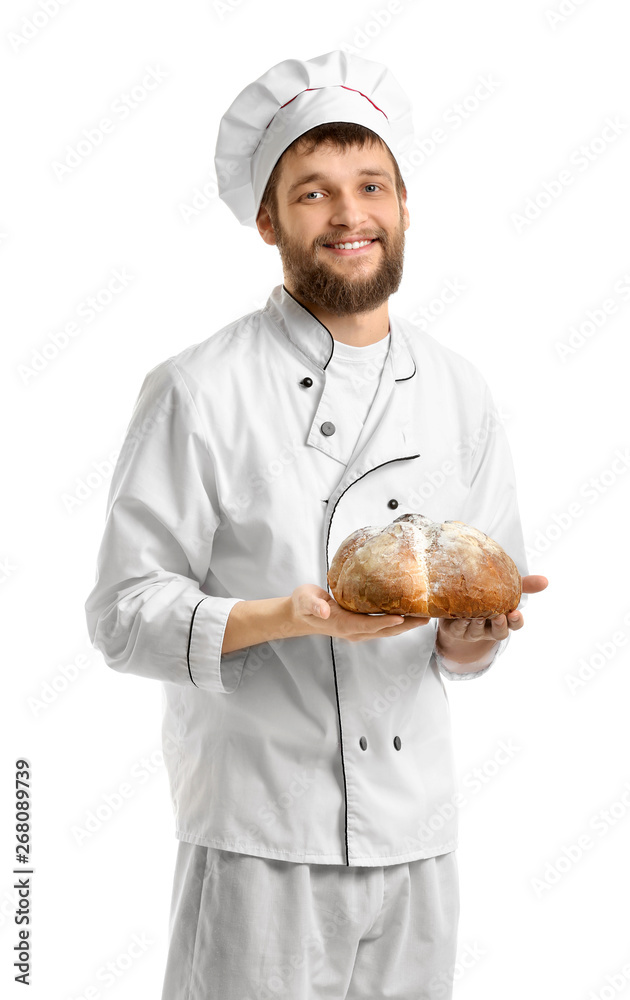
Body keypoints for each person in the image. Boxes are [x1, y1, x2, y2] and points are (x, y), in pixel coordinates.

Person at [85, 49, 548, 1000]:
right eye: (313, 192)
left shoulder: (461, 390)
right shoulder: (197, 389)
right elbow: (123, 615)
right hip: (260, 838)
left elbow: (471, 629)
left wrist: (472, 637)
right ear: (267, 219)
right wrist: (287, 616)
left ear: (406, 205)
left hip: (417, 844)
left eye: (371, 185)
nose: (350, 215)